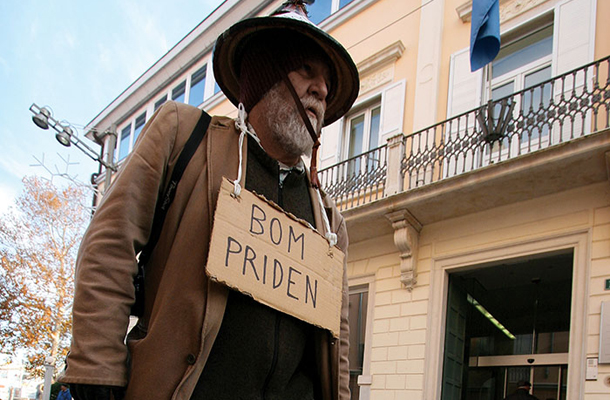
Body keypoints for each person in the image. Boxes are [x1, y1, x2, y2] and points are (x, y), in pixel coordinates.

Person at [59, 1, 359, 399]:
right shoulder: (182, 136)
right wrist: (96, 369)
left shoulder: (330, 221)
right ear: (265, 72)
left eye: (326, 83)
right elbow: (109, 247)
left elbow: (335, 337)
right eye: (306, 70)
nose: (321, 90)